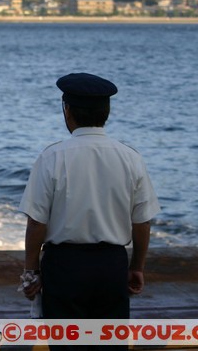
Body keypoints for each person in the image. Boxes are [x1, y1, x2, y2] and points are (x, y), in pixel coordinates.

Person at [18, 73, 160, 325]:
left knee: (67, 342)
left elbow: (37, 223)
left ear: (68, 110)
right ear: (106, 112)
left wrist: (32, 272)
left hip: (64, 267)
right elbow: (142, 223)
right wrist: (136, 267)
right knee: (109, 342)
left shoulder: (52, 157)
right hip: (111, 265)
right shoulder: (131, 157)